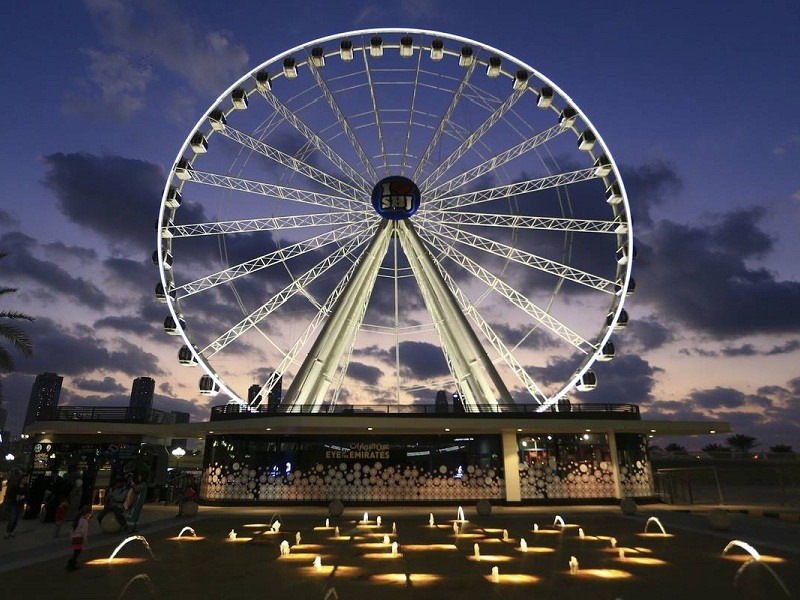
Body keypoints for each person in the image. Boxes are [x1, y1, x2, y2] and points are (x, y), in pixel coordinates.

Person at [3, 473, 29, 539]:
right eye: (24, 479)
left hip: (20, 505)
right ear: (21, 479)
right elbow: (11, 495)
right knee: (12, 519)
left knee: (16, 520)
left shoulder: (26, 488)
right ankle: (7, 532)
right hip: (14, 504)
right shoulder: (16, 487)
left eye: (26, 479)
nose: (25, 480)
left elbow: (28, 496)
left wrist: (24, 497)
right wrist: (16, 496)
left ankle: (11, 532)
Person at [66, 505, 92, 571]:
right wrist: (85, 540)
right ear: (87, 514)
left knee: (76, 552)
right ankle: (72, 563)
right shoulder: (85, 522)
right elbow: (84, 532)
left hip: (74, 538)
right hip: (79, 538)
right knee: (77, 552)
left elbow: (72, 530)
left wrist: (71, 538)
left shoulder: (78, 519)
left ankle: (72, 563)